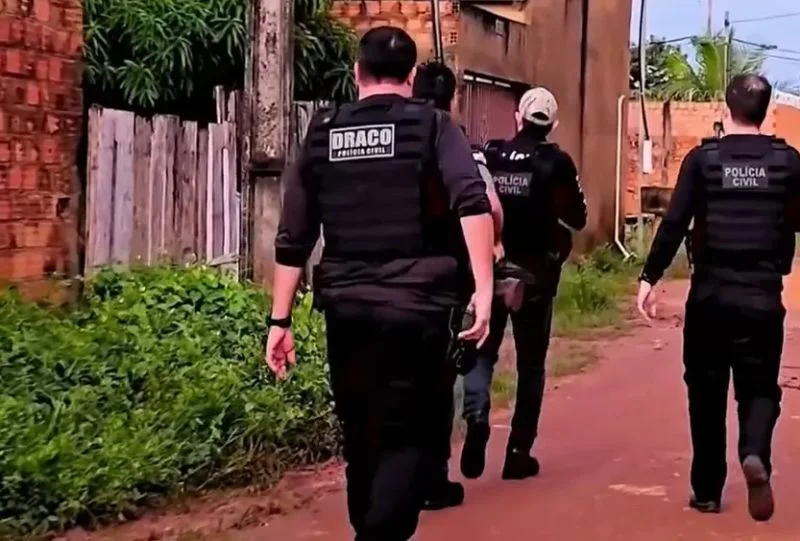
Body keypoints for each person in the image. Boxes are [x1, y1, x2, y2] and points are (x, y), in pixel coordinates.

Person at [264, 26, 495, 541]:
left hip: (347, 310)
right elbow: (472, 201)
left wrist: (279, 320)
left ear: (356, 73)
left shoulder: (324, 131)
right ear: (411, 77)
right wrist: (483, 290)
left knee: (361, 431)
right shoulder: (433, 126)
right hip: (418, 309)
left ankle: (370, 528)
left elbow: (294, 234)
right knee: (414, 435)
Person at [637, 74, 800, 522]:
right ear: (766, 111)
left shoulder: (702, 161)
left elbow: (675, 222)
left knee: (705, 392)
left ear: (727, 108)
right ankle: (754, 453)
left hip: (709, 298)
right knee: (760, 389)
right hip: (762, 297)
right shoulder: (787, 163)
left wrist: (649, 277)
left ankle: (706, 490)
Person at [460, 86, 587, 481]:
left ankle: (477, 414)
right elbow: (578, 217)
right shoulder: (557, 162)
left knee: (482, 351)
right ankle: (518, 452)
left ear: (518, 117)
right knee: (531, 365)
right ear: (552, 124)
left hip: (490, 270)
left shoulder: (492, 153)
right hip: (534, 279)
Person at [410, 59, 505, 511]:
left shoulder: (393, 140)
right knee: (440, 377)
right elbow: (489, 206)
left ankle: (394, 474)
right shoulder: (456, 144)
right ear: (453, 98)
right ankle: (434, 477)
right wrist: (493, 245)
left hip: (384, 280)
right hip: (444, 281)